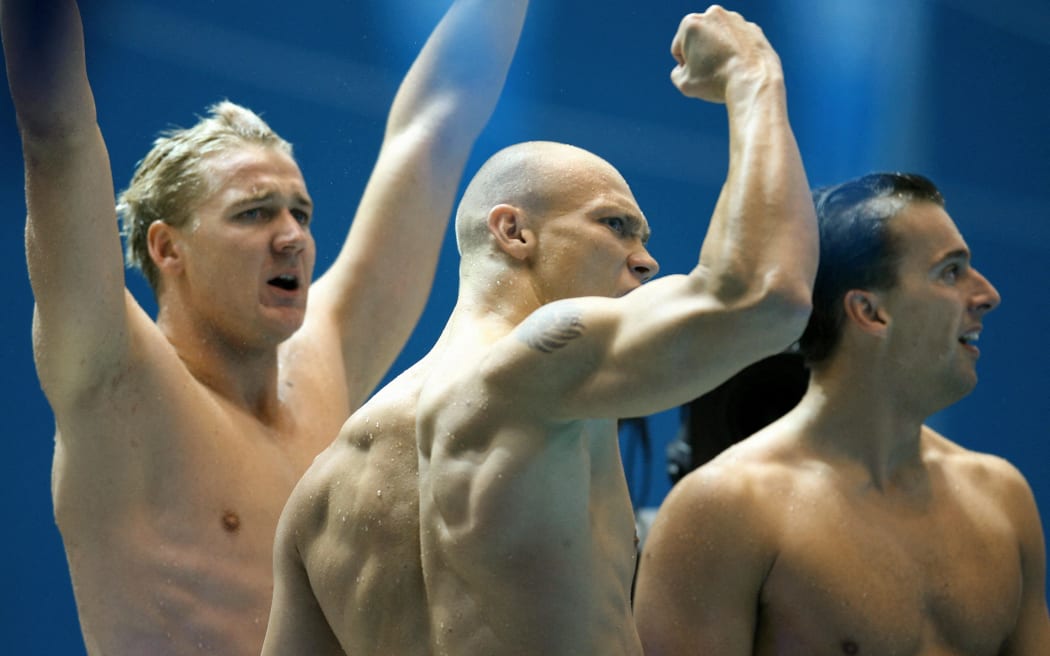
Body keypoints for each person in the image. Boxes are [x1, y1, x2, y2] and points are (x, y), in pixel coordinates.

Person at [264, 7, 818, 655]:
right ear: (514, 232)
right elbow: (764, 294)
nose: (645, 260)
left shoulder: (319, 495)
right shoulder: (535, 369)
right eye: (616, 226)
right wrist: (752, 73)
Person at [0, 0, 526, 651]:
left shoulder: (324, 355)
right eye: (253, 214)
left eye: (300, 213)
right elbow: (57, 132)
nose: (293, 239)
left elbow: (437, 119)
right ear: (167, 248)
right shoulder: (116, 382)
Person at [634, 172, 1050, 655]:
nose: (988, 294)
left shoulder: (1002, 498)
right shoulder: (726, 510)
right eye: (951, 272)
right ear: (870, 312)